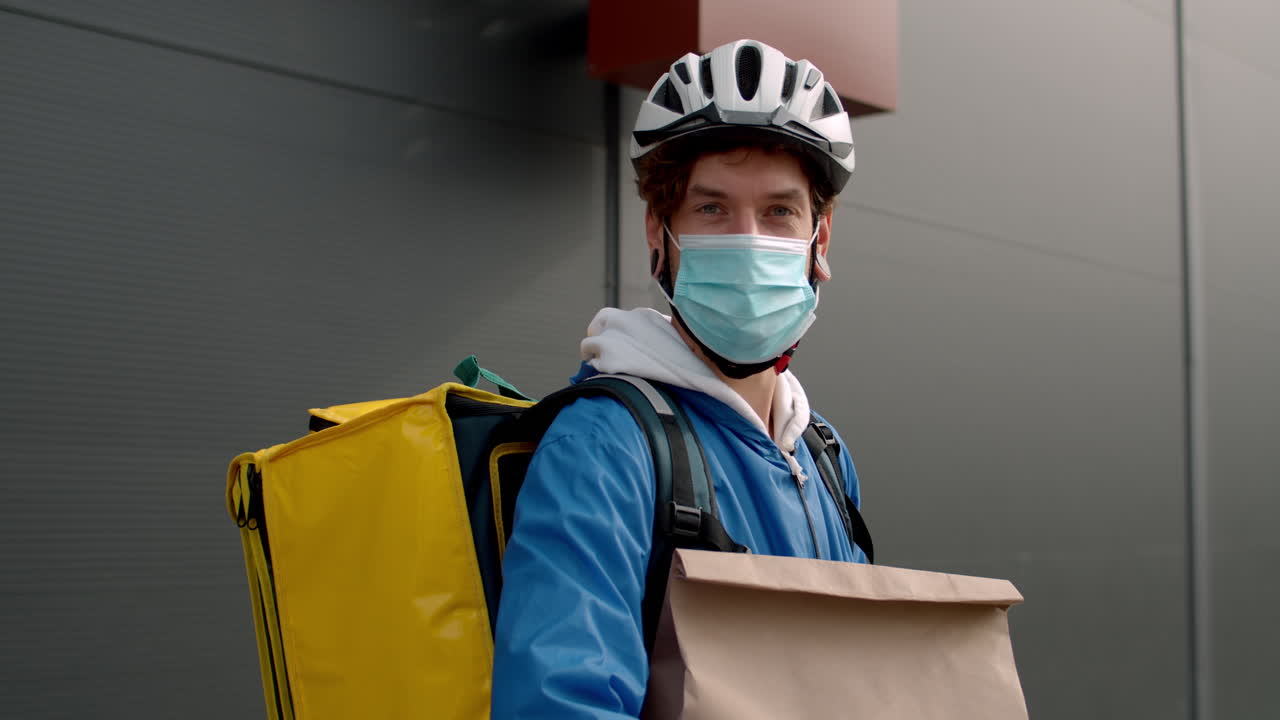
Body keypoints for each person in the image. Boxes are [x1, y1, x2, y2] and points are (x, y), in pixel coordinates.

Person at [491, 39, 865, 719]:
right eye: (712, 209)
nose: (750, 239)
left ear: (821, 239)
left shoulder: (824, 455)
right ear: (659, 235)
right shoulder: (603, 447)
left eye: (780, 212)